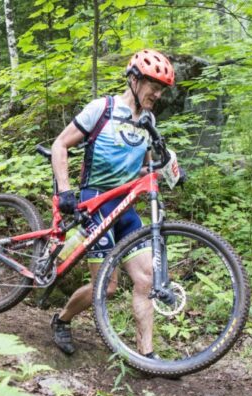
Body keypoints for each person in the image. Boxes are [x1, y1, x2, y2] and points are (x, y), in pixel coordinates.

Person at [49, 49, 176, 359]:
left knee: (146, 279)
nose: (157, 94)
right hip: (96, 202)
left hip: (126, 207)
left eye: (161, 89)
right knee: (106, 286)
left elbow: (143, 168)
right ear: (134, 79)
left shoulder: (147, 120)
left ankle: (147, 355)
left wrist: (165, 169)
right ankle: (62, 320)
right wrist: (65, 191)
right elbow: (60, 144)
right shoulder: (102, 108)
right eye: (153, 86)